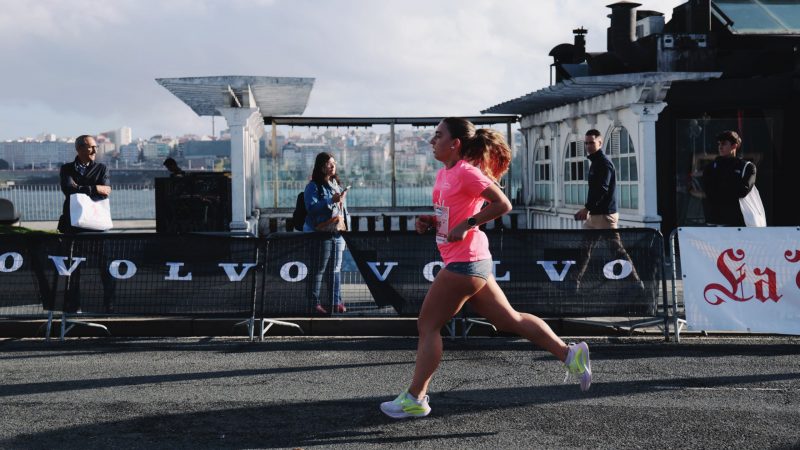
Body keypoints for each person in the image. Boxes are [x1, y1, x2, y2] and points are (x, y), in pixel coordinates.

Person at [379, 118, 592, 420]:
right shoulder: (445, 174)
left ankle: (416, 397)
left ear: (455, 144)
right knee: (509, 320)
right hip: (472, 261)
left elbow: (502, 204)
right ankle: (570, 354)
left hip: (465, 263)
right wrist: (432, 221)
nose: (431, 141)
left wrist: (466, 225)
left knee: (428, 326)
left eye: (438, 136)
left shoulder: (467, 172)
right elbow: (453, 214)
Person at [572, 129, 641, 290]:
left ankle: (636, 284)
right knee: (584, 249)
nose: (588, 146)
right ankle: (574, 281)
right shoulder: (597, 162)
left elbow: (602, 189)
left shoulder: (603, 163)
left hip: (604, 215)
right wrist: (588, 210)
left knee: (617, 251)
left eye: (591, 142)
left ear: (600, 143)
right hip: (596, 215)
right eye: (587, 143)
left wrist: (587, 208)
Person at [57, 135, 115, 313]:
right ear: (80, 149)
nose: (95, 150)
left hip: (97, 224)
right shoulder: (66, 168)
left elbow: (104, 193)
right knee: (73, 267)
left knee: (105, 266)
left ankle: (109, 304)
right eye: (91, 147)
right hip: (72, 224)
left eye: (96, 147)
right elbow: (68, 189)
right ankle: (74, 305)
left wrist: (80, 188)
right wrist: (93, 188)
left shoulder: (101, 168)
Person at [303, 152, 349, 315]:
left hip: (337, 232)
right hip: (320, 233)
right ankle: (314, 303)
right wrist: (331, 201)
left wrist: (346, 224)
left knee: (335, 268)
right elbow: (311, 208)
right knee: (319, 268)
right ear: (321, 167)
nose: (333, 166)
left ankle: (335, 301)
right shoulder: (313, 186)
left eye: (334, 163)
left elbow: (342, 208)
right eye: (329, 164)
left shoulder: (335, 183)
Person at [701, 130, 756, 226]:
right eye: (719, 144)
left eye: (724, 143)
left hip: (738, 224)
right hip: (713, 222)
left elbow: (742, 191)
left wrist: (720, 187)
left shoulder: (747, 167)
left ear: (734, 146)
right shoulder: (710, 167)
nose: (720, 147)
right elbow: (708, 191)